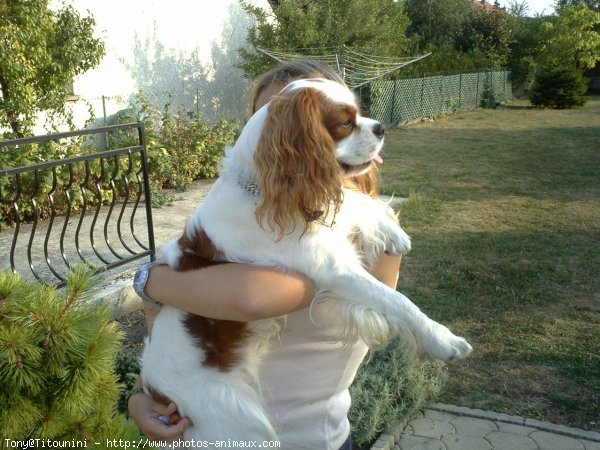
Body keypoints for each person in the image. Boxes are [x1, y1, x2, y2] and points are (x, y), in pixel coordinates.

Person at [128, 60, 402, 450]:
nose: (280, 135)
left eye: (295, 123)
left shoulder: (372, 235)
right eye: (267, 120)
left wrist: (152, 280)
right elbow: (175, 332)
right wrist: (140, 397)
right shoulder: (241, 226)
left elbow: (251, 298)